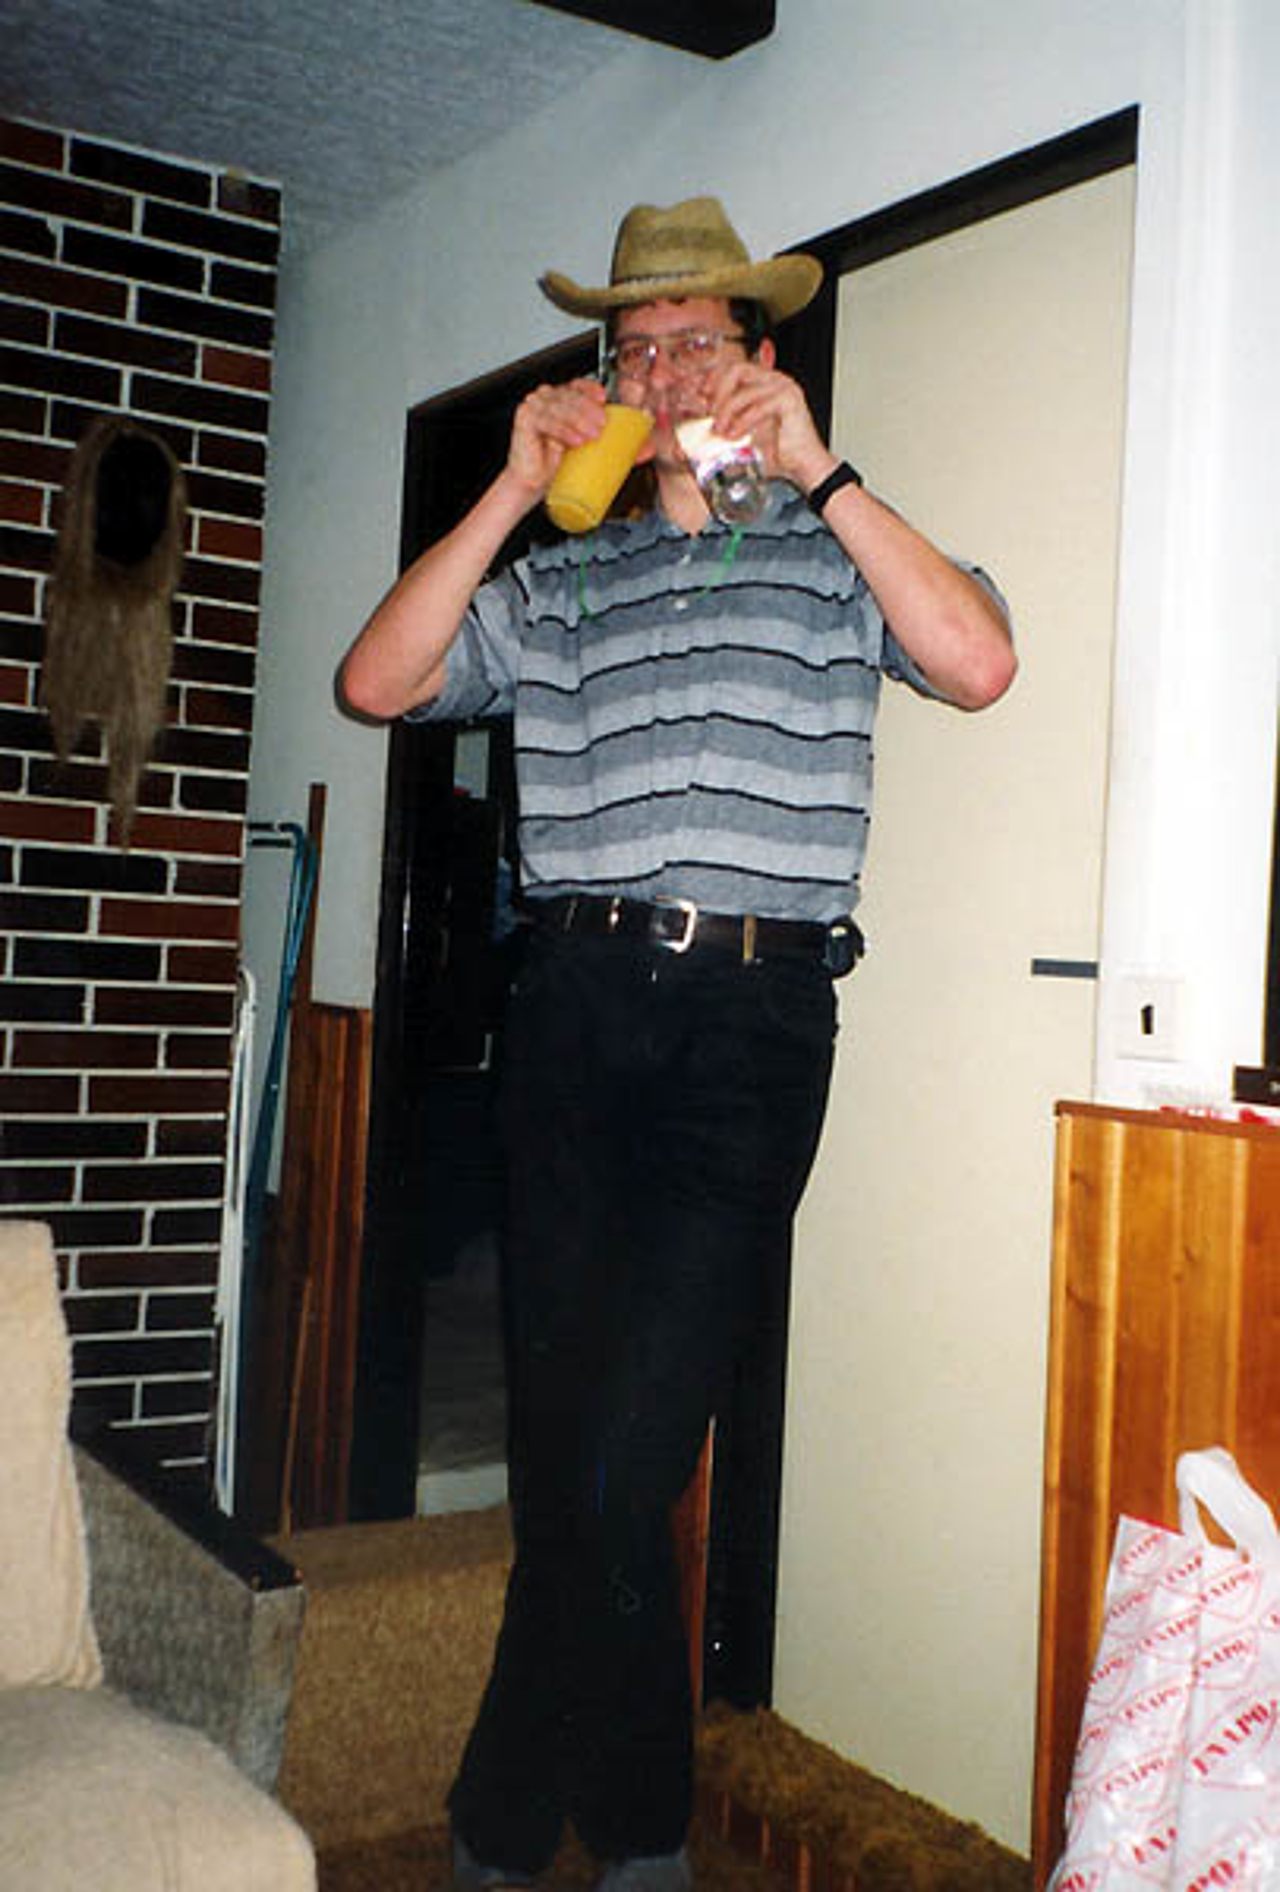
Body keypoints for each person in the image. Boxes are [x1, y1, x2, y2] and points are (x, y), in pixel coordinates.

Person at [341, 197, 1016, 1892]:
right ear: (609, 385)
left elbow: (980, 661)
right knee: (589, 1467)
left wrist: (826, 471)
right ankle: (646, 1836)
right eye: (634, 348)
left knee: (622, 1451)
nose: (663, 369)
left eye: (697, 340)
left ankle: (497, 1829)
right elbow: (377, 683)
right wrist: (508, 489)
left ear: (757, 361)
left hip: (749, 1029)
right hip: (569, 1016)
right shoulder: (560, 576)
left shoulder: (831, 552)